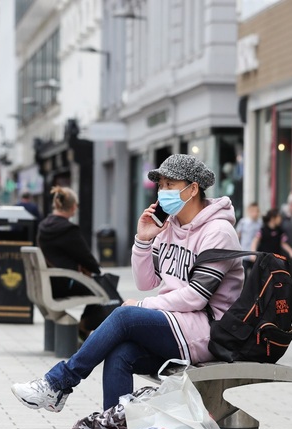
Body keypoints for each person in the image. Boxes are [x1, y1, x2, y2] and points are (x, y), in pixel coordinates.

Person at [12, 154, 245, 412]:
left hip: (207, 330)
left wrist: (144, 306)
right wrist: (143, 240)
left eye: (170, 184)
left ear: (192, 189)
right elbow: (145, 281)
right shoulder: (168, 227)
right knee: (120, 353)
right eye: (161, 185)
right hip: (176, 324)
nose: (162, 191)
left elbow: (196, 297)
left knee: (124, 316)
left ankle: (58, 382)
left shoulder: (219, 232)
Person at [36, 186, 120, 338]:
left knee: (98, 285)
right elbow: (86, 257)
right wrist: (96, 269)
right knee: (104, 286)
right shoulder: (68, 229)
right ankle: (85, 326)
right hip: (64, 283)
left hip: (48, 283)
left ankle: (85, 327)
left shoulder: (43, 226)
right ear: (73, 207)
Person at [235, 202, 261, 274]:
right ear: (249, 211)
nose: (255, 213)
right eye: (253, 211)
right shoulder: (243, 222)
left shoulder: (260, 224)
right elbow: (237, 236)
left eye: (257, 211)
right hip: (244, 254)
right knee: (244, 275)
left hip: (256, 254)